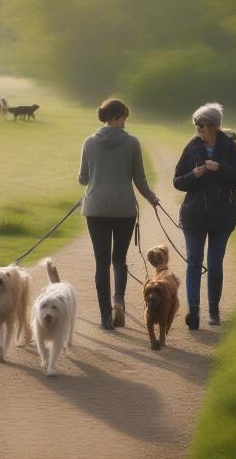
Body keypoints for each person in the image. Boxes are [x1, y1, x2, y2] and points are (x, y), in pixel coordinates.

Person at [78, 99, 159, 330]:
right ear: (115, 117)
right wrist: (152, 198)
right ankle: (118, 302)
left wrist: (97, 178)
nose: (125, 122)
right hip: (124, 209)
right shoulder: (132, 143)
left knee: (101, 263)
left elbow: (83, 178)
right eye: (124, 117)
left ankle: (105, 318)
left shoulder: (89, 142)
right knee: (119, 260)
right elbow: (140, 179)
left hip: (96, 208)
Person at [173, 102, 236, 329]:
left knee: (215, 265)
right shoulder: (191, 147)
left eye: (202, 125)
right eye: (196, 125)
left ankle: (213, 310)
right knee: (194, 263)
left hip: (223, 217)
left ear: (215, 126)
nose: (199, 129)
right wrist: (193, 175)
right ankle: (193, 312)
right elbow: (177, 181)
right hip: (194, 216)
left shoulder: (229, 147)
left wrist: (220, 168)